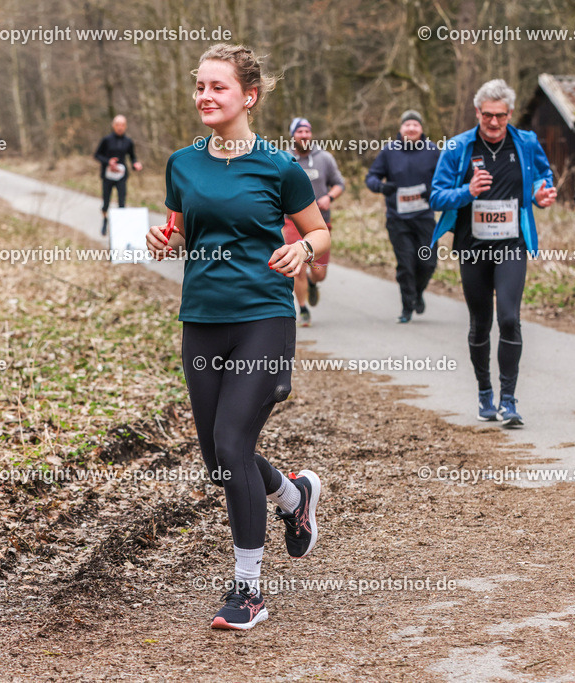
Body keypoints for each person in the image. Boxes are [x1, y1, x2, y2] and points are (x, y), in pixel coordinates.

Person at [146, 43, 330, 631]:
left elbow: (321, 234)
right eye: (199, 86)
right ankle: (295, 497)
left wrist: (302, 247)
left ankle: (247, 591)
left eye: (216, 87)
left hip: (263, 319)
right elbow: (180, 232)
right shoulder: (182, 163)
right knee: (220, 461)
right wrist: (164, 240)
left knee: (231, 443)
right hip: (201, 320)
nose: (204, 95)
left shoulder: (279, 167)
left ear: (247, 96)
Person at [429, 79, 557, 427]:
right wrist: (467, 191)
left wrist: (541, 193)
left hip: (512, 244)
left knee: (510, 318)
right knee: (481, 323)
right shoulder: (458, 147)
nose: (494, 123)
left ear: (510, 114)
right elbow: (436, 196)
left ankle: (509, 400)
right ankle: (485, 392)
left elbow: (543, 176)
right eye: (488, 116)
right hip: (472, 247)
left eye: (501, 116)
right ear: (477, 113)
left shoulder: (526, 142)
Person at [366, 110, 441, 323]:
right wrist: (382, 187)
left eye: (415, 125)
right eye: (407, 125)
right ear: (400, 129)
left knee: (427, 262)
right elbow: (371, 177)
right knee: (406, 263)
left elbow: (445, 179)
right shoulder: (390, 151)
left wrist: (433, 192)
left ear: (421, 129)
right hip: (397, 219)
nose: (411, 128)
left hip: (425, 216)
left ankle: (418, 292)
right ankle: (407, 307)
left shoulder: (433, 151)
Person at [282, 117, 344, 326]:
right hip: (291, 222)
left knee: (319, 273)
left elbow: (339, 183)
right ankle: (303, 308)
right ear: (293, 135)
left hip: (320, 223)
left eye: (307, 131)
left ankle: (312, 282)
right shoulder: (284, 159)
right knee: (297, 265)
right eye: (300, 131)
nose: (304, 135)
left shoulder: (324, 158)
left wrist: (330, 197)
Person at [94, 115, 142, 236]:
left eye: (122, 125)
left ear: (125, 126)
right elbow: (97, 155)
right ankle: (105, 221)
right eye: (118, 125)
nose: (120, 127)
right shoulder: (106, 140)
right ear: (113, 125)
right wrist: (108, 162)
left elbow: (132, 157)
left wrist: (135, 164)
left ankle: (120, 229)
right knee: (106, 202)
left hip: (121, 176)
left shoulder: (128, 142)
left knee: (122, 202)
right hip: (107, 176)